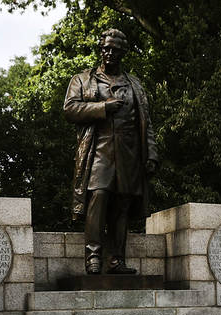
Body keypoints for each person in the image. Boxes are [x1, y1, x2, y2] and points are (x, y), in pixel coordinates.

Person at [63, 28, 158, 275]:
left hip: (129, 153)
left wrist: (151, 154)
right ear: (100, 49)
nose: (109, 53)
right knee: (99, 197)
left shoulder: (134, 84)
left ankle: (116, 261)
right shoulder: (83, 79)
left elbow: (145, 122)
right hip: (98, 150)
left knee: (122, 205)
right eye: (105, 48)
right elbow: (70, 109)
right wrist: (103, 107)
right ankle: (93, 256)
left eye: (115, 49)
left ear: (122, 52)